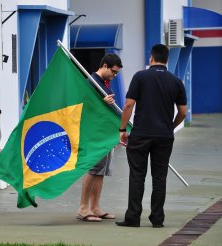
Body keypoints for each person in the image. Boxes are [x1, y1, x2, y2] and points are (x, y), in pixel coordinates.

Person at [116, 44, 187, 228]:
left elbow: (129, 105)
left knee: (137, 175)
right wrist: (170, 127)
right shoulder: (176, 81)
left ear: (151, 58)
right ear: (167, 60)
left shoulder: (140, 77)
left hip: (141, 134)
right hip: (164, 136)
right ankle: (157, 219)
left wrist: (122, 130)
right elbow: (183, 112)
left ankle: (133, 218)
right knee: (159, 177)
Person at [76, 54, 123, 222]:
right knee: (93, 168)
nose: (114, 75)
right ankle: (83, 207)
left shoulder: (103, 83)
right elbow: (83, 106)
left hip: (104, 134)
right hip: (94, 134)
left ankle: (95, 207)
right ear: (104, 65)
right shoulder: (91, 82)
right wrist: (102, 103)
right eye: (113, 71)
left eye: (117, 73)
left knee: (101, 171)